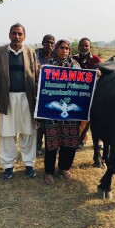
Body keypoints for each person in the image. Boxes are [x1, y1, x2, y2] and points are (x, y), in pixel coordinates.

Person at [0, 23, 38, 179]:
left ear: (24, 36)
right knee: (7, 133)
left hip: (26, 97)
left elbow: (36, 77)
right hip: (7, 97)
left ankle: (29, 164)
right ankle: (8, 166)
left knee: (28, 131)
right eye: (14, 33)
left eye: (20, 34)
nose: (17, 37)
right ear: (9, 35)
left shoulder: (30, 52)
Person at [43, 39, 81, 185]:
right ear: (56, 49)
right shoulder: (48, 65)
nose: (64, 50)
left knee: (70, 141)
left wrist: (94, 75)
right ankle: (49, 172)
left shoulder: (76, 65)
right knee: (52, 142)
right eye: (61, 48)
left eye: (66, 48)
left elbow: (83, 85)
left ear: (69, 50)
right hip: (52, 112)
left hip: (71, 111)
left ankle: (64, 168)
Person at [72, 38, 103, 164]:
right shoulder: (73, 59)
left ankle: (99, 141)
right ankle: (80, 139)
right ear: (78, 46)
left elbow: (102, 75)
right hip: (77, 94)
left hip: (93, 94)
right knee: (79, 117)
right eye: (82, 45)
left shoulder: (96, 60)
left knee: (94, 119)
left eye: (86, 46)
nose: (84, 48)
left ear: (90, 47)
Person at [35, 34, 56, 156]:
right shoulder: (35, 55)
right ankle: (37, 146)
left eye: (52, 43)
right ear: (43, 43)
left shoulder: (56, 56)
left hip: (53, 94)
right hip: (37, 93)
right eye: (47, 42)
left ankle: (51, 146)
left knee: (51, 122)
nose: (49, 45)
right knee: (39, 123)